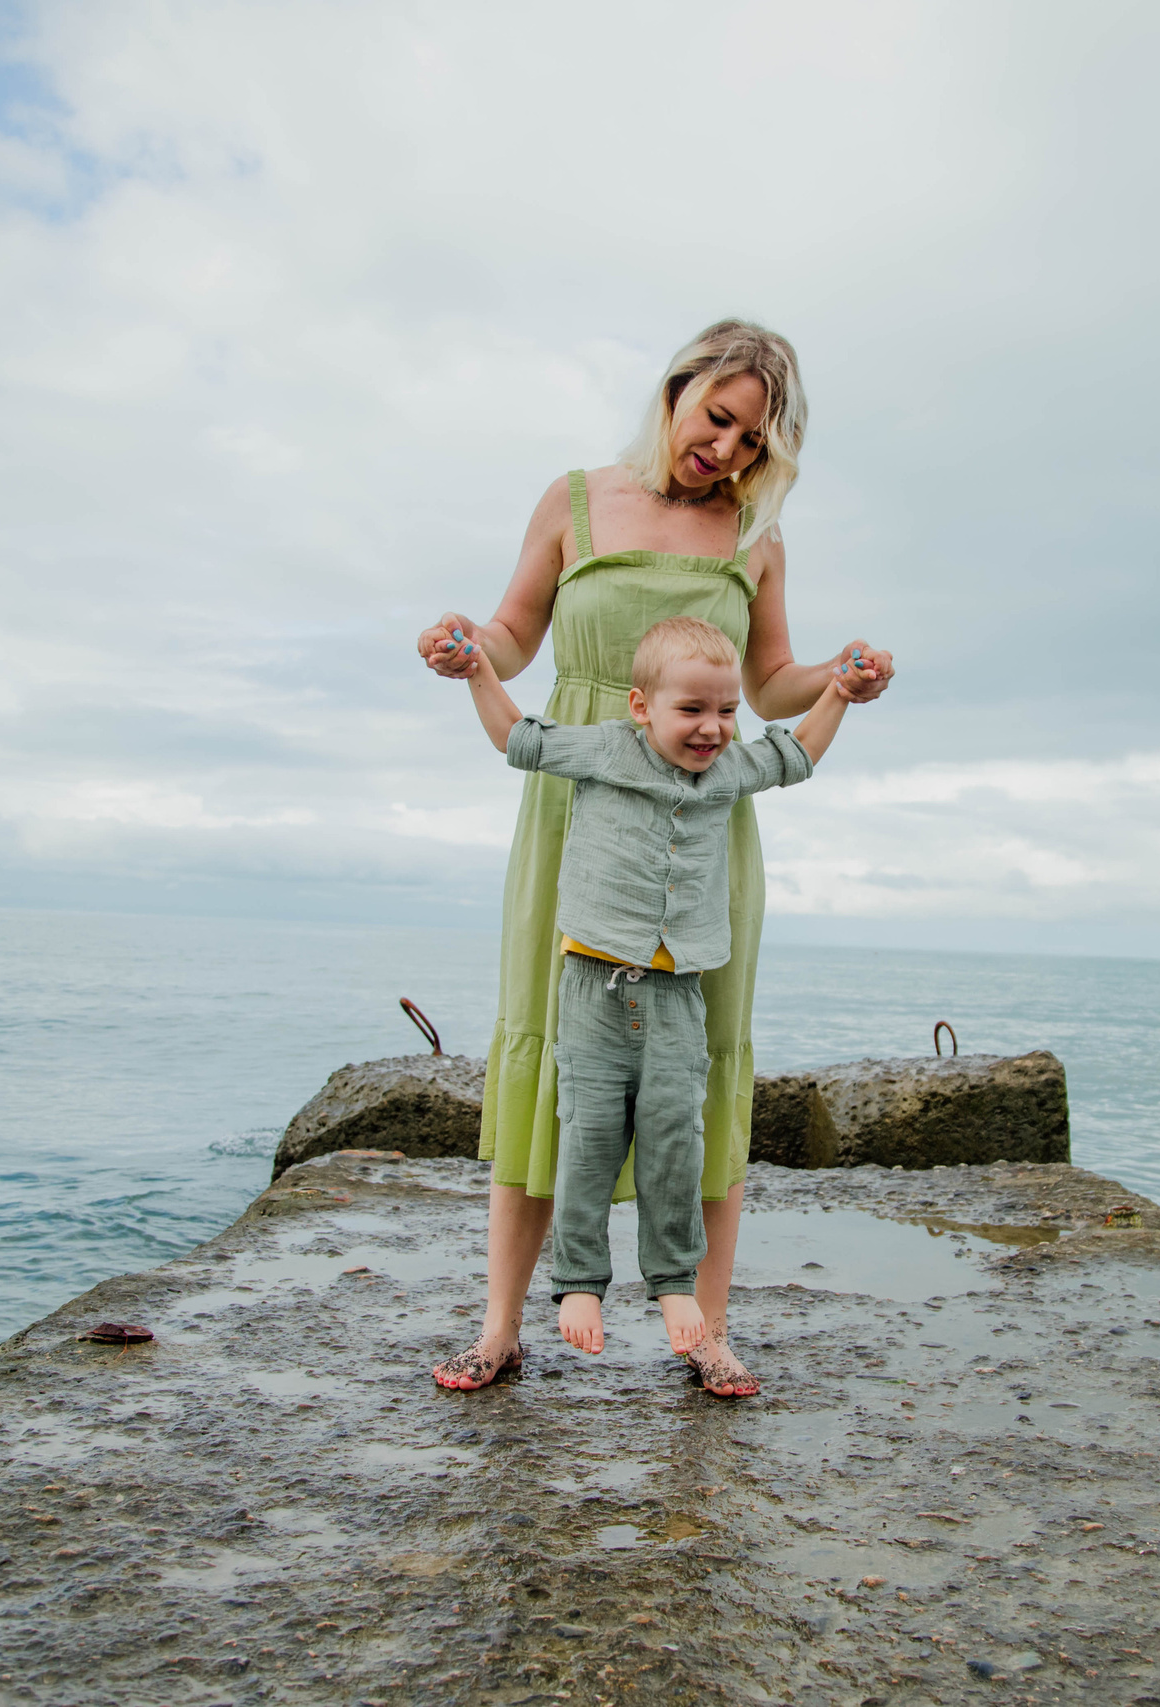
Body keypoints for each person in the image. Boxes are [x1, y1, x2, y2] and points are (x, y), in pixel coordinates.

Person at [416, 319, 895, 1396]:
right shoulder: (573, 500)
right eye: (717, 418)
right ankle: (500, 1328)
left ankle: (706, 1330)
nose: (725, 451)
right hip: (572, 814)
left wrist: (840, 682)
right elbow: (511, 637)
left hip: (699, 833)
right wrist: (463, 650)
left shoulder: (754, 535)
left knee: (705, 1066)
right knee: (549, 1051)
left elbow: (768, 687)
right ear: (678, 391)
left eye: (751, 441)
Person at [445, 615, 866, 1356]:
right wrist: (479, 667)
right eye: (693, 710)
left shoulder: (730, 769)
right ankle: (580, 1278)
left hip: (678, 996)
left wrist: (837, 689)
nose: (713, 728)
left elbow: (795, 753)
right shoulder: (608, 747)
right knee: (588, 1137)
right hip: (591, 989)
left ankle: (673, 1279)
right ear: (642, 707)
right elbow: (520, 740)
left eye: (727, 710)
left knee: (677, 1138)